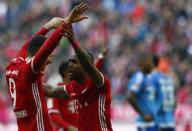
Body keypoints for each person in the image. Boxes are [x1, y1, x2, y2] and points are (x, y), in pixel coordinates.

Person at [5, 3, 88, 131]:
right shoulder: (29, 71)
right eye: (48, 58)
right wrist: (66, 24)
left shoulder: (12, 66)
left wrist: (47, 27)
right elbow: (46, 47)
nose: (49, 62)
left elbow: (29, 45)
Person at [61, 24, 113, 131]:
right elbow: (50, 90)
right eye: (69, 62)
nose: (69, 65)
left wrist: (74, 43)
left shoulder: (99, 83)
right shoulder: (73, 87)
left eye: (74, 62)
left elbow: (90, 66)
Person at [127, 54, 161, 131]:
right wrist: (143, 114)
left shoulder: (148, 77)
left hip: (153, 122)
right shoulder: (139, 77)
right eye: (149, 62)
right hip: (145, 124)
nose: (152, 65)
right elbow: (130, 97)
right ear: (142, 64)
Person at [47, 62, 78, 131]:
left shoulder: (78, 88)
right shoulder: (55, 92)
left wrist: (101, 57)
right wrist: (70, 128)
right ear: (66, 73)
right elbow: (53, 115)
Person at [152, 55, 175, 131]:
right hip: (170, 120)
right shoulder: (169, 79)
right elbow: (174, 102)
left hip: (158, 120)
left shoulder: (154, 78)